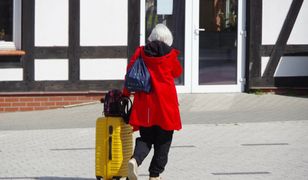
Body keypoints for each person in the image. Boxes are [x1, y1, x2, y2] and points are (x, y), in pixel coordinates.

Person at [123, 23, 183, 180]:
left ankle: (135, 161)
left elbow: (130, 73)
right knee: (163, 141)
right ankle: (154, 175)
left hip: (145, 104)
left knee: (146, 138)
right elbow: (177, 72)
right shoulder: (170, 55)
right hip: (166, 105)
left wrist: (125, 94)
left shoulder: (141, 52)